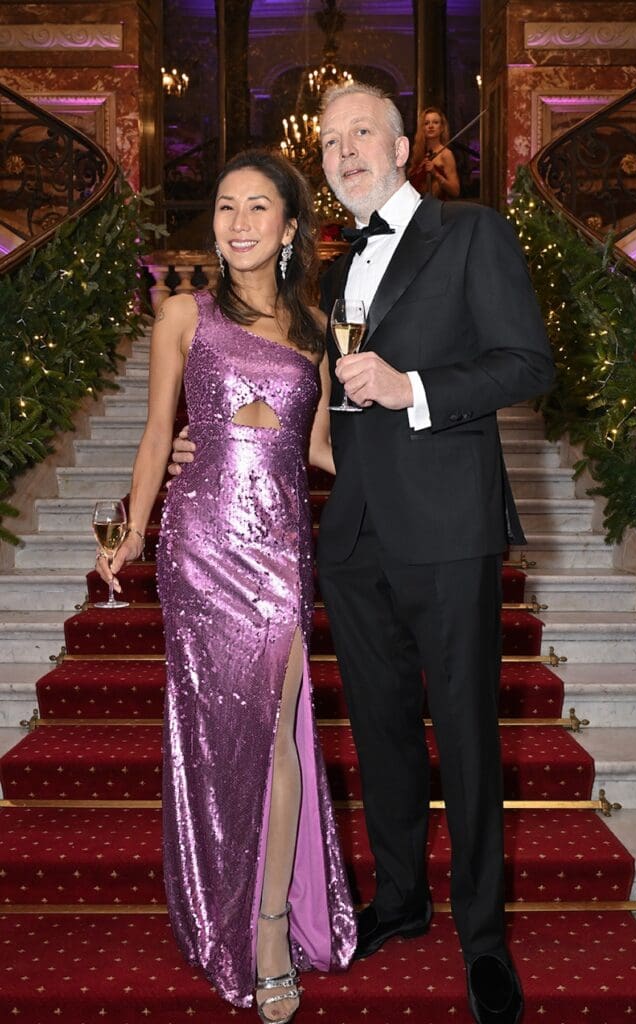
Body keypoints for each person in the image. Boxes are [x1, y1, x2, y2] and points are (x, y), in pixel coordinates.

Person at [171, 83, 555, 1024]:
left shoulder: (471, 232)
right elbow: (305, 412)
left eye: (361, 135)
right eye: (330, 141)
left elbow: (525, 363)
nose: (344, 152)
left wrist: (411, 385)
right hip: (350, 537)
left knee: (464, 733)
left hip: (448, 528)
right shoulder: (332, 276)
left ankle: (482, 938)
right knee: (380, 731)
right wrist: (208, 443)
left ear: (400, 146)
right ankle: (400, 898)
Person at [97, 149, 356, 1023]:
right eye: (224, 206)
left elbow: (319, 450)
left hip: (279, 551)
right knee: (213, 734)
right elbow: (155, 432)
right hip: (199, 543)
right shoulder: (183, 313)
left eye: (257, 208)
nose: (238, 223)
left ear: (289, 228)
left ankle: (271, 928)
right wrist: (135, 529)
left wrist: (408, 460)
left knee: (276, 735)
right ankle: (218, 897)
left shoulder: (316, 330)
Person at [408, 106, 461, 200]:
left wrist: (436, 174)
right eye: (426, 123)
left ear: (442, 128)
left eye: (435, 122)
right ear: (422, 128)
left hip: (437, 206)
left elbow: (455, 190)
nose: (431, 126)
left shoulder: (446, 154)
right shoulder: (418, 153)